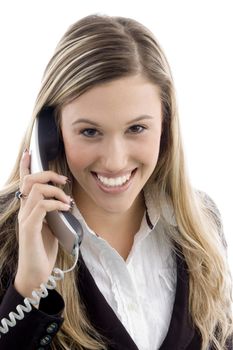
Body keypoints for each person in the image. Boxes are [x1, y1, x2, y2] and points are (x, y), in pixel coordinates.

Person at [0, 14, 232, 350]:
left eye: (136, 129)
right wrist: (29, 286)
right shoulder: (9, 233)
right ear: (50, 133)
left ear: (166, 125)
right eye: (90, 132)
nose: (114, 161)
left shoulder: (201, 224)